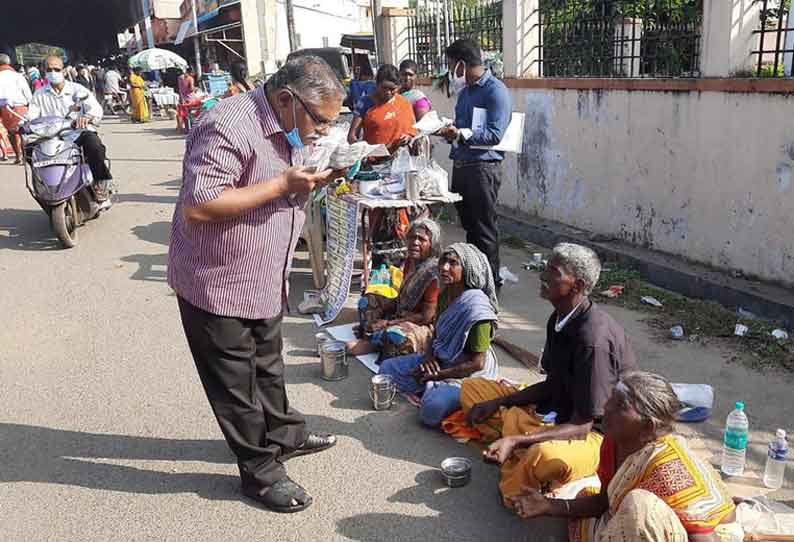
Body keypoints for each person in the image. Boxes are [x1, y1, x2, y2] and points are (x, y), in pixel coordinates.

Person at [168, 55, 346, 513]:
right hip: (218, 282)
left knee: (268, 362)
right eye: (320, 121)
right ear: (287, 101)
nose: (323, 131)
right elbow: (201, 204)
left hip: (265, 274)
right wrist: (281, 184)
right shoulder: (227, 124)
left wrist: (312, 181)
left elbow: (289, 184)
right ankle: (260, 472)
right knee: (235, 384)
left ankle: (285, 433)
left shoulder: (292, 127)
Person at [462, 243, 638, 502]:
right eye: (545, 267)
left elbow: (583, 425)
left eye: (552, 272)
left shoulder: (593, 341)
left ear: (576, 286)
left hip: (597, 435)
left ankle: (527, 452)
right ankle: (518, 442)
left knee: (543, 457)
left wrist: (519, 441)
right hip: (559, 412)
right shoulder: (559, 317)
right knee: (473, 390)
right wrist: (496, 402)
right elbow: (552, 385)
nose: (543, 276)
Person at [511, 372, 738, 542]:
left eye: (620, 406)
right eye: (611, 398)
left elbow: (704, 538)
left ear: (647, 428)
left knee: (640, 506)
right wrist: (549, 506)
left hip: (708, 535)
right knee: (593, 503)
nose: (606, 407)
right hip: (648, 526)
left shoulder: (667, 468)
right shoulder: (613, 442)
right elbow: (605, 501)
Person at [379, 243, 500, 428]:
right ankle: (432, 388)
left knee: (431, 410)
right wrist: (428, 358)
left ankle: (441, 393)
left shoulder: (477, 309)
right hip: (442, 361)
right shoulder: (445, 294)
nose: (444, 267)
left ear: (467, 269)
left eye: (453, 263)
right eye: (443, 261)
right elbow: (436, 334)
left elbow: (477, 364)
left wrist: (437, 375)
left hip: (469, 375)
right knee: (387, 369)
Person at [438, 39, 512, 291]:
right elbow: (462, 126)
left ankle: (491, 287)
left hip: (482, 169)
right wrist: (448, 129)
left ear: (462, 64)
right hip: (462, 165)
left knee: (484, 231)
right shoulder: (466, 91)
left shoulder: (495, 90)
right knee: (470, 229)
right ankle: (475, 278)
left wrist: (459, 134)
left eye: (451, 66)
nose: (450, 72)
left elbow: (494, 135)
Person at [347, 218, 442, 359]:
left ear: (431, 244)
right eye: (411, 237)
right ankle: (374, 336)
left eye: (421, 239)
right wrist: (384, 309)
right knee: (366, 302)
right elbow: (401, 296)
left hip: (422, 325)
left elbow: (426, 317)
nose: (415, 242)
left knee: (396, 336)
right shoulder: (410, 260)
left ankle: (374, 342)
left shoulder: (433, 274)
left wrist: (388, 322)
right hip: (401, 313)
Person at [27, 55, 112, 205]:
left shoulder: (77, 90)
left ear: (64, 71)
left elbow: (96, 109)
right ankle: (44, 186)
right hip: (50, 138)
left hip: (76, 134)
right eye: (49, 69)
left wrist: (87, 116)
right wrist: (24, 125)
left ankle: (99, 182)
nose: (53, 72)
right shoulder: (39, 95)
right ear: (43, 71)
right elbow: (31, 117)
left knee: (94, 145)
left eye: (56, 69)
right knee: (29, 151)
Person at [347, 64, 416, 152]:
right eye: (384, 88)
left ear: (398, 86)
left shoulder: (404, 103)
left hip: (399, 158)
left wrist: (408, 137)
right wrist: (361, 151)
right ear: (377, 84)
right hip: (373, 160)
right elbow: (352, 136)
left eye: (392, 89)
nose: (388, 92)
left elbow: (412, 130)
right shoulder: (365, 103)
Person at [0, 53, 33, 165]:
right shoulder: (18, 76)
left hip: (4, 109)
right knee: (23, 132)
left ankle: (18, 156)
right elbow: (28, 95)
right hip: (20, 107)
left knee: (11, 133)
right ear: (9, 63)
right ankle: (25, 157)